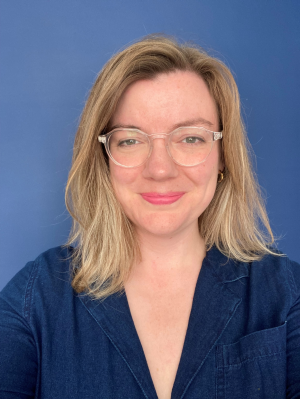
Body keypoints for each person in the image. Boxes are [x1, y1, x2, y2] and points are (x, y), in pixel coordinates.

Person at [0, 35, 299, 399]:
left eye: (190, 138)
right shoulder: (36, 300)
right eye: (130, 139)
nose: (160, 169)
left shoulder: (286, 293)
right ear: (105, 158)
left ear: (223, 157)